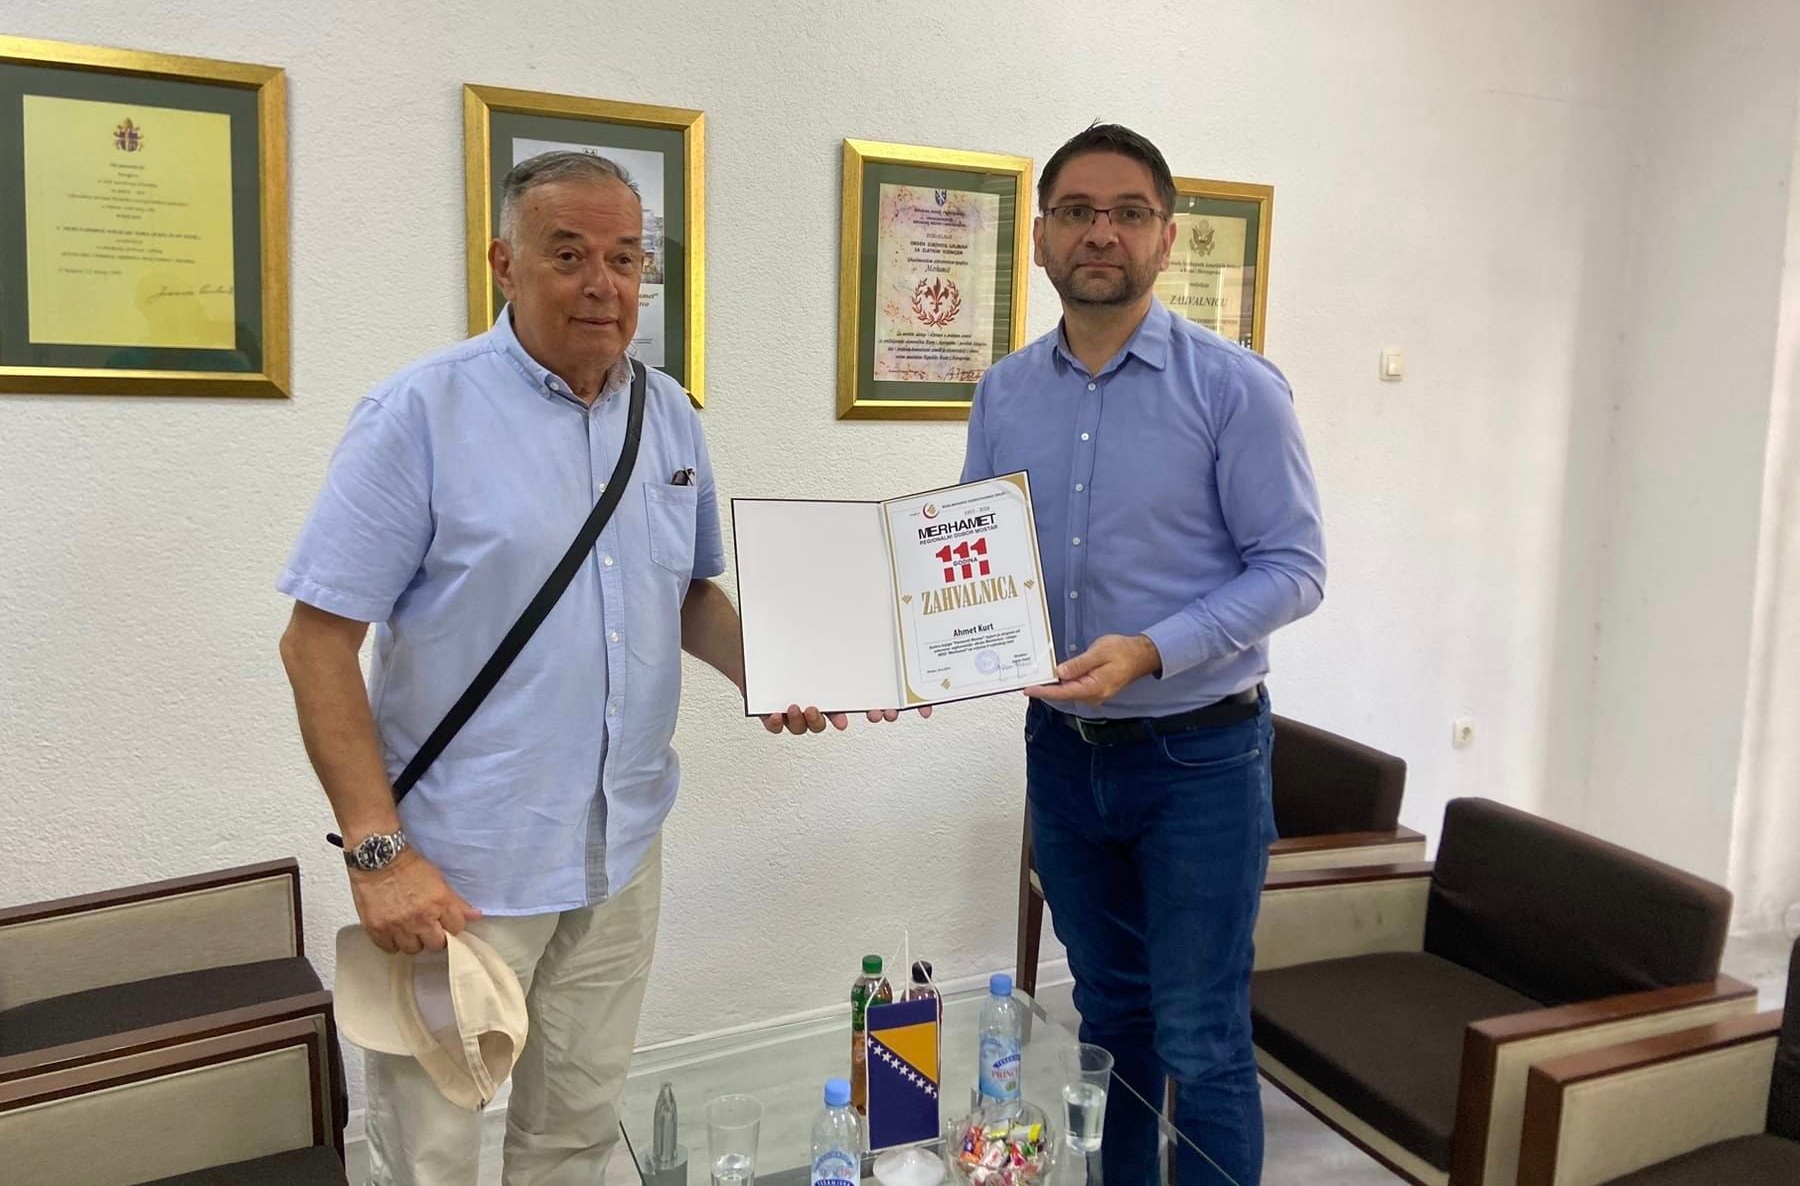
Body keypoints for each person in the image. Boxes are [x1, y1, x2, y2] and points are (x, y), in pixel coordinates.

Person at [278, 150, 895, 1186]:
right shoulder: (420, 414)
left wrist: (781, 672)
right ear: (504, 264)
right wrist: (379, 857)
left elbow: (685, 593)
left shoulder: (669, 415)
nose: (602, 284)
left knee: (573, 1136)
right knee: (429, 1156)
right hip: (462, 870)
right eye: (567, 255)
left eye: (624, 258)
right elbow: (316, 644)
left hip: (619, 855)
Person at [960, 124, 1326, 1184]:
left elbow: (1295, 568)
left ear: (1167, 238)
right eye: (1077, 211)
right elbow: (972, 556)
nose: (1101, 232)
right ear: (1040, 237)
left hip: (1198, 759)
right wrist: (931, 653)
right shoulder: (1004, 393)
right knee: (1109, 1016)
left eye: (1128, 213)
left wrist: (1154, 651)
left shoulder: (1236, 387)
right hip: (1062, 753)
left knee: (1202, 1034)